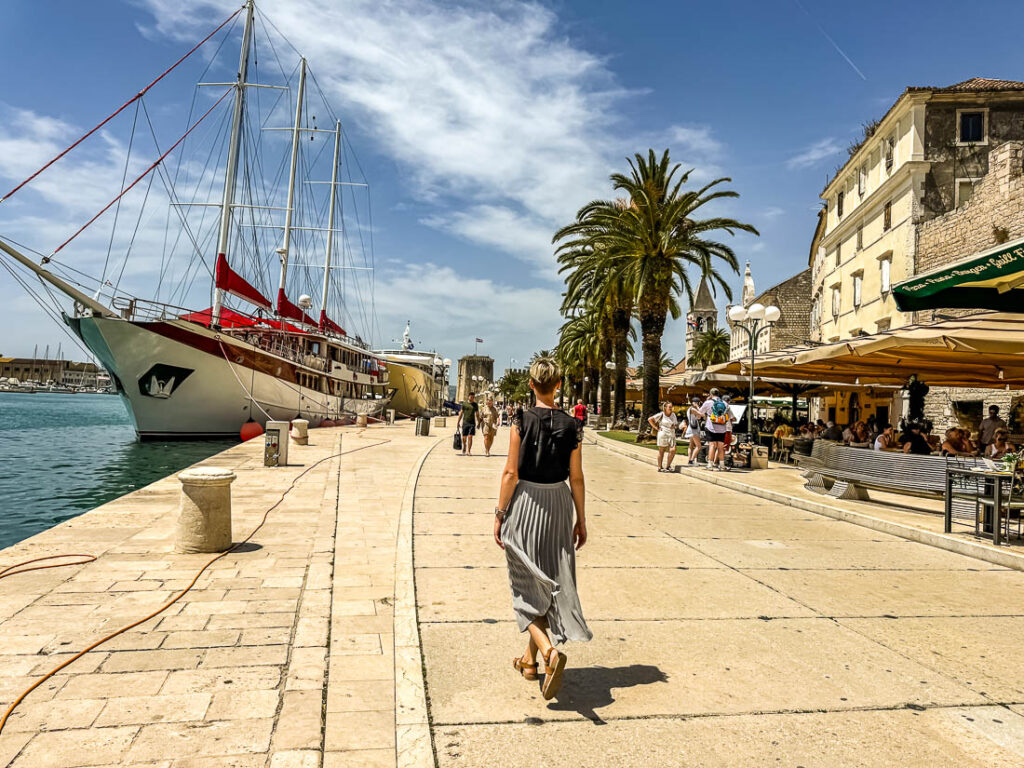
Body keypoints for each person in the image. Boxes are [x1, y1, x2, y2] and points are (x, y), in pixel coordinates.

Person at [494, 357, 591, 700]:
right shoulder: (573, 425)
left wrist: (499, 513)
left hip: (526, 505)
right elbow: (576, 476)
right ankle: (528, 661)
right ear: (559, 385)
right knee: (547, 584)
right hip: (560, 505)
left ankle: (549, 654)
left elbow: (510, 474)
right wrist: (581, 517)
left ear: (531, 385)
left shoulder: (520, 419)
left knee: (524, 587)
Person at [700, 388, 732, 471]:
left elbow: (700, 413)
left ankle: (710, 465)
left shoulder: (708, 402)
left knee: (712, 445)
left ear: (710, 394)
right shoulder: (725, 403)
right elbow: (730, 415)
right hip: (722, 428)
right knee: (720, 447)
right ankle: (722, 465)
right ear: (719, 394)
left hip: (711, 427)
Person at [648, 401, 679, 472]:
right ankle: (659, 466)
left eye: (672, 407)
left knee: (673, 450)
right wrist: (656, 428)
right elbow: (650, 419)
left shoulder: (673, 415)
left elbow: (676, 424)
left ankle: (668, 466)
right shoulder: (661, 414)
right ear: (665, 408)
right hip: (663, 433)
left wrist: (675, 426)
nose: (671, 408)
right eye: (670, 407)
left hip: (671, 434)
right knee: (661, 451)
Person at [457, 392, 480, 456]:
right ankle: (464, 446)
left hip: (472, 423)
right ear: (468, 397)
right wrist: (458, 422)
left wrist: (478, 423)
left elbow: (477, 414)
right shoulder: (464, 404)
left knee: (470, 437)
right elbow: (461, 413)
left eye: (473, 397)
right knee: (464, 438)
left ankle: (469, 451)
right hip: (465, 422)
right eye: (471, 397)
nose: (472, 398)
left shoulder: (475, 405)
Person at [685, 396, 704, 466]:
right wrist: (698, 407)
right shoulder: (693, 409)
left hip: (691, 428)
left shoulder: (689, 409)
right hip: (694, 430)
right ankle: (691, 460)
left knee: (691, 445)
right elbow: (702, 414)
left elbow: (698, 417)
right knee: (699, 446)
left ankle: (689, 460)